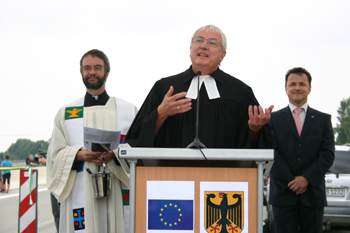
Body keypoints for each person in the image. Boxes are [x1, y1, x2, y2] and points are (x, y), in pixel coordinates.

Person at [126, 25, 273, 155]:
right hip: (171, 176)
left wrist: (255, 130)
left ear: (223, 55)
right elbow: (135, 138)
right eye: (198, 40)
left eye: (212, 43)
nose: (204, 45)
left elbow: (260, 147)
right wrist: (160, 114)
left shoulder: (240, 93)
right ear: (190, 49)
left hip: (223, 179)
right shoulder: (164, 88)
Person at [47, 49, 137, 233]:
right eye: (87, 68)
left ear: (107, 72)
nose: (92, 72)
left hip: (117, 188)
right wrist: (77, 155)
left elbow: (139, 148)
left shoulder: (127, 111)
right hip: (81, 188)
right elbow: (54, 156)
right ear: (81, 73)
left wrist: (116, 154)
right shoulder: (67, 113)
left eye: (97, 67)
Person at [268, 67, 335, 232]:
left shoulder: (323, 120)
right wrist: (292, 181)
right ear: (286, 89)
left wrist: (306, 179)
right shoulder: (272, 120)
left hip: (312, 195)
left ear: (309, 89)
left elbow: (328, 154)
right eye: (292, 84)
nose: (297, 88)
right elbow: (271, 153)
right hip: (283, 195)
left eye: (302, 84)